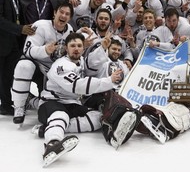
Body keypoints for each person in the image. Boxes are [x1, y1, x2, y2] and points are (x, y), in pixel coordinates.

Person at [38, 32, 126, 167]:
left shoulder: (80, 62)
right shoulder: (61, 65)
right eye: (72, 46)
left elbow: (91, 64)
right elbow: (78, 85)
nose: (76, 48)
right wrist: (108, 81)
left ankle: (49, 128)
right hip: (51, 102)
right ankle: (52, 145)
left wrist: (102, 47)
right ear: (66, 49)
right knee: (60, 115)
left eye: (79, 46)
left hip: (72, 104)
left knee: (99, 117)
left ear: (83, 48)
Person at [12, 2, 74, 125]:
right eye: (61, 12)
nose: (63, 15)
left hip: (51, 70)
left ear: (70, 18)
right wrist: (45, 50)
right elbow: (28, 51)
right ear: (55, 12)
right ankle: (19, 107)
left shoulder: (70, 31)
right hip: (36, 63)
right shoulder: (40, 25)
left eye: (67, 14)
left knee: (51, 102)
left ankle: (31, 101)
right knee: (24, 66)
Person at [0, 0, 35, 115]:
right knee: (2, 76)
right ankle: (5, 105)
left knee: (8, 75)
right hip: (2, 42)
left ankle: (8, 102)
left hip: (13, 42)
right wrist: (19, 29)